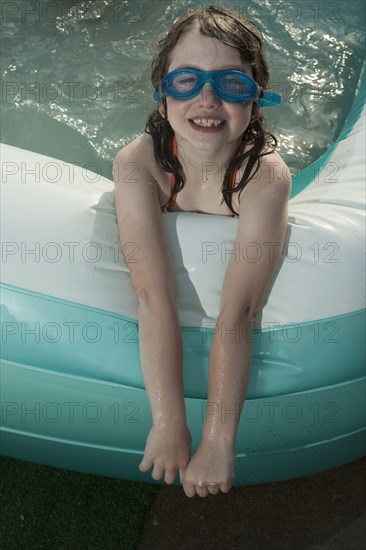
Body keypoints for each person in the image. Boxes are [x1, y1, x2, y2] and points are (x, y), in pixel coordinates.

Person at [113, 6, 291, 498]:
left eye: (232, 84)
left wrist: (217, 439)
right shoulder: (140, 163)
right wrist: (168, 421)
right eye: (186, 80)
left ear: (255, 100)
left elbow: (239, 310)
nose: (207, 99)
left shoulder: (264, 174)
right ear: (163, 93)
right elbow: (151, 293)